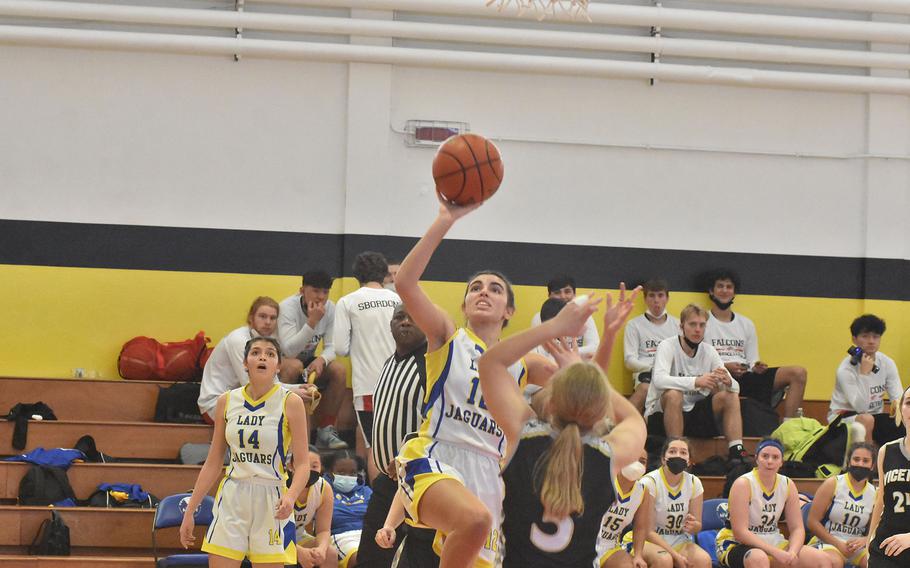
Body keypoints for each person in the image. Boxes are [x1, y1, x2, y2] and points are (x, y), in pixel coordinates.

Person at [393, 194, 552, 568]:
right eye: (476, 287)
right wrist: (445, 220)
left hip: (488, 472)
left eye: (495, 289)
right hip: (437, 454)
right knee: (473, 520)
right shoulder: (449, 336)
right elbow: (404, 282)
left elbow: (582, 389)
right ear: (464, 305)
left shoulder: (523, 364)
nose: (484, 291)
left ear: (509, 311)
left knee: (478, 530)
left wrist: (574, 358)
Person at [477, 288, 648, 567]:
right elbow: (634, 419)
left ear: (552, 402)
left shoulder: (524, 434)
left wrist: (553, 326)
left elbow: (490, 363)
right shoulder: (608, 455)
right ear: (600, 410)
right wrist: (594, 360)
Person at [180, 336, 310, 567]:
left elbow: (302, 464)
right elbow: (213, 461)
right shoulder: (227, 401)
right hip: (233, 496)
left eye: (270, 354)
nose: (262, 356)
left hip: (272, 498)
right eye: (256, 352)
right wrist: (190, 510)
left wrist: (290, 497)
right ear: (245, 362)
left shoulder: (291, 402)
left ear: (278, 365)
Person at [356, 303, 438, 568]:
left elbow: (438, 424)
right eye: (399, 317)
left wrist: (407, 454)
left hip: (419, 485)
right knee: (369, 557)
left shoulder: (430, 366)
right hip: (386, 482)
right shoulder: (389, 362)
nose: (405, 322)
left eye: (412, 317)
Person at [646, 304, 748, 462]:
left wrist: (729, 382)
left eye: (702, 325)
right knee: (674, 394)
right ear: (682, 326)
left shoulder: (709, 351)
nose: (697, 329)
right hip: (661, 414)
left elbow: (736, 388)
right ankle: (676, 451)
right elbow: (659, 380)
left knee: (730, 395)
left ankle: (737, 451)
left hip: (694, 414)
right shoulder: (667, 346)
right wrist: (696, 381)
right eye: (692, 324)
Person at [334, 251, 402, 481]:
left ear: (357, 276)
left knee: (375, 448)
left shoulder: (348, 302)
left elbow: (340, 348)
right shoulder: (397, 300)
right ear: (384, 274)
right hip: (400, 383)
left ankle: (379, 508)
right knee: (401, 448)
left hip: (368, 387)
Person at [702, 270, 807, 418]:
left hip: (746, 377)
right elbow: (699, 362)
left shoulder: (746, 324)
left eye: (729, 286)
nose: (725, 290)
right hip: (718, 377)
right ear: (711, 291)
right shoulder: (702, 322)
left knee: (798, 373)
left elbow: (752, 361)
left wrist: (756, 367)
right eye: (720, 286)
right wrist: (726, 367)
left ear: (734, 292)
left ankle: (788, 425)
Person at [716, 438, 832, 568]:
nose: (769, 461)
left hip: (772, 539)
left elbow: (797, 528)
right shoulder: (743, 483)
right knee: (759, 559)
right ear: (756, 458)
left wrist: (793, 552)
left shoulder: (787, 484)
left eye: (775, 457)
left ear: (781, 462)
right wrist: (775, 552)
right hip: (736, 542)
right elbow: (740, 532)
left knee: (822, 560)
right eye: (765, 456)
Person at [278, 270, 352, 451]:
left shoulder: (331, 309)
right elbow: (289, 350)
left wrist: (322, 360)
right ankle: (282, 427)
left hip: (309, 360)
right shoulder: (287, 308)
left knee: (339, 370)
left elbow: (332, 346)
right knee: (293, 366)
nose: (321, 297)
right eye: (316, 291)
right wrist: (311, 322)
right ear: (302, 290)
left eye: (325, 292)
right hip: (283, 360)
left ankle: (326, 430)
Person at [629, 438, 712, 568]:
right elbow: (647, 531)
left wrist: (693, 525)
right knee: (664, 560)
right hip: (648, 540)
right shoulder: (649, 482)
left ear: (689, 461)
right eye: (672, 451)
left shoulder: (694, 482)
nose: (678, 455)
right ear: (663, 459)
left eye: (683, 452)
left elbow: (698, 526)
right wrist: (675, 555)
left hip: (679, 539)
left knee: (703, 560)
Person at [198, 296, 280, 424]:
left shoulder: (264, 342)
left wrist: (301, 389)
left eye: (273, 318)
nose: (268, 322)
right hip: (215, 405)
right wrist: (295, 394)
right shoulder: (239, 340)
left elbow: (274, 383)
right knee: (281, 411)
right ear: (251, 318)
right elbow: (253, 386)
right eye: (262, 316)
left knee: (294, 402)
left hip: (239, 399)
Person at [828, 315, 905, 446]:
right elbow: (861, 407)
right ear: (854, 339)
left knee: (904, 420)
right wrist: (864, 374)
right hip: (843, 419)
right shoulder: (845, 369)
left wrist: (902, 412)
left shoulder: (887, 363)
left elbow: (898, 398)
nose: (871, 341)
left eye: (875, 337)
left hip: (875, 417)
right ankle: (868, 463)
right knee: (867, 419)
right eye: (865, 336)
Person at [807, 442, 878, 568]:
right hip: (829, 542)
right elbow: (812, 522)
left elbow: (874, 529)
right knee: (835, 562)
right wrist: (838, 544)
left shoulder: (875, 493)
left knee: (875, 563)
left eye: (865, 461)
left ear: (872, 466)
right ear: (849, 462)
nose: (860, 464)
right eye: (856, 459)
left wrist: (866, 539)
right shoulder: (833, 484)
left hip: (856, 547)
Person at [867, 385, 910, 568]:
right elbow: (881, 500)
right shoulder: (887, 451)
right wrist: (870, 540)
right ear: (901, 409)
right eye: (908, 403)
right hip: (886, 548)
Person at [624, 279, 680, 415]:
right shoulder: (634, 325)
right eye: (651, 295)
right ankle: (618, 426)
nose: (656, 300)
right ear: (645, 298)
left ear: (667, 298)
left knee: (675, 394)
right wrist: (652, 368)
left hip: (670, 375)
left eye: (660, 295)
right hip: (646, 376)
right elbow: (629, 361)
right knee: (644, 388)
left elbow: (682, 357)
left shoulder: (678, 325)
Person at [596, 450, 652, 568]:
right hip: (586, 542)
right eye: (633, 458)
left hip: (610, 547)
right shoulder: (604, 479)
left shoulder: (643, 492)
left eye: (642, 461)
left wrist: (638, 555)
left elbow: (640, 527)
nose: (637, 464)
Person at [530, 274, 600, 358]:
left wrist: (565, 352)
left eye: (567, 292)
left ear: (574, 295)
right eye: (557, 292)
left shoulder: (585, 316)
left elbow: (595, 348)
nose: (563, 296)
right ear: (549, 296)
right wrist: (575, 352)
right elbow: (539, 352)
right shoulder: (538, 318)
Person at [290, 446, 337, 568]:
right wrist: (298, 551)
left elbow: (324, 530)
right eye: (304, 465)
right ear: (290, 466)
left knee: (330, 553)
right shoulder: (279, 485)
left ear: (321, 468)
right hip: (272, 539)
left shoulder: (324, 488)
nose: (309, 470)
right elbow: (271, 531)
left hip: (298, 537)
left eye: (314, 466)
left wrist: (321, 549)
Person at [325, 449, 373, 568]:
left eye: (352, 473)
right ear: (331, 472)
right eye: (341, 472)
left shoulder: (366, 491)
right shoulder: (323, 489)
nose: (347, 476)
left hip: (366, 534)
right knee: (362, 558)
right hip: (342, 535)